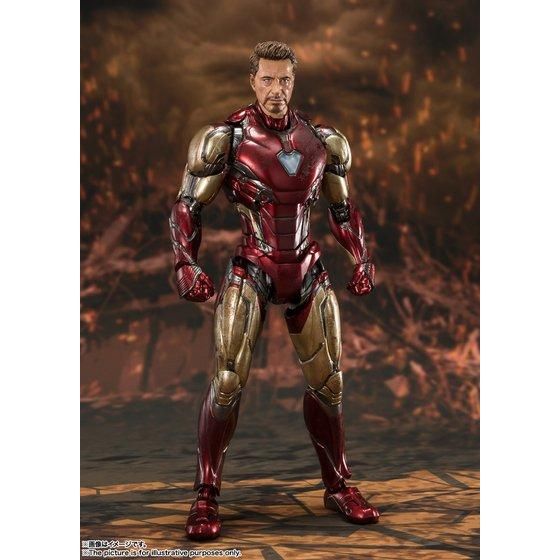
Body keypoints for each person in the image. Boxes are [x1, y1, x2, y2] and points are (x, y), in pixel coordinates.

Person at [169, 41, 380, 541]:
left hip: (306, 267)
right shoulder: (225, 140)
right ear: (253, 81)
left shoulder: (323, 141)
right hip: (253, 266)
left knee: (330, 383)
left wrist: (361, 256)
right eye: (267, 79)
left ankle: (338, 485)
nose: (277, 89)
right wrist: (184, 263)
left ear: (294, 81)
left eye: (284, 80)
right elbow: (187, 206)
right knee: (227, 381)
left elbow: (342, 209)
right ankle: (206, 494)